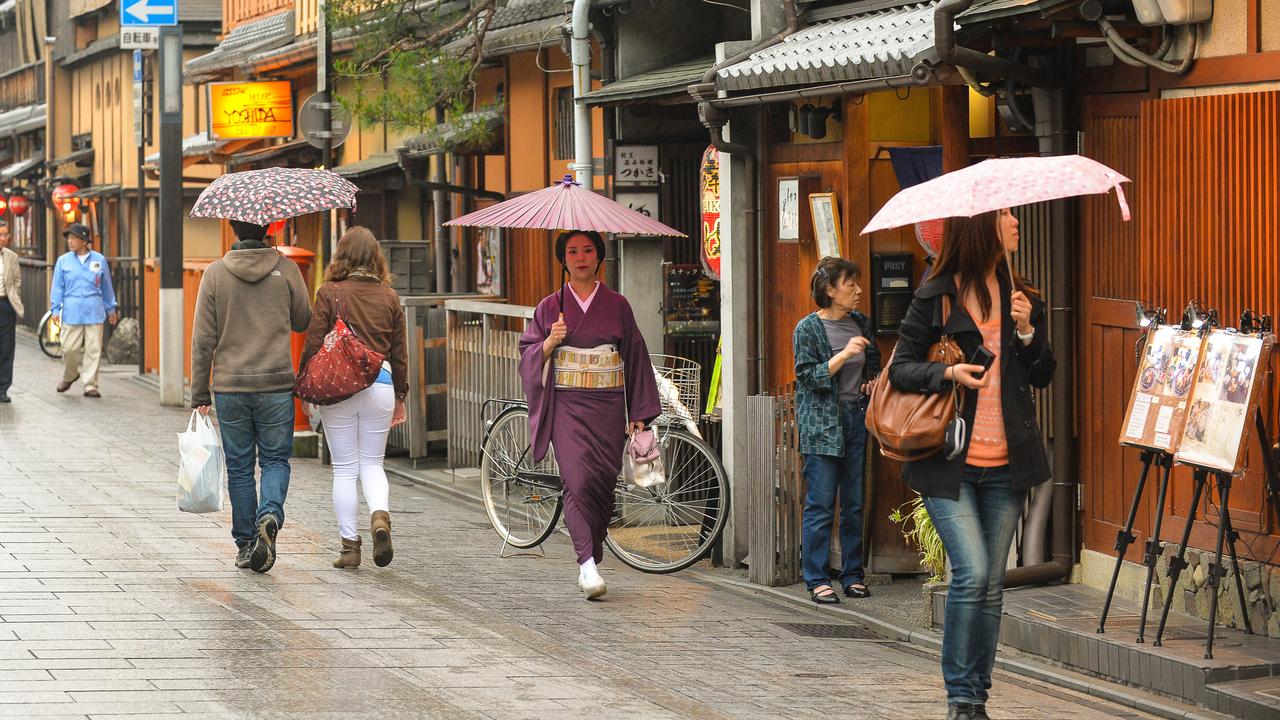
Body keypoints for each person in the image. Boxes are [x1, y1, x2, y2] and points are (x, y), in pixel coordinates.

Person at [888, 208, 1055, 720]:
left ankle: (976, 699)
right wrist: (948, 374)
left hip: (1007, 464)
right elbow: (900, 369)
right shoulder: (936, 294)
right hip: (949, 463)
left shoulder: (1022, 297)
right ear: (983, 225)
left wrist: (1028, 333)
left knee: (991, 583)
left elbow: (1043, 374)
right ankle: (960, 698)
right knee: (973, 572)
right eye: (1006, 214)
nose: (1015, 221)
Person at [517, 230, 661, 599]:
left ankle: (590, 554)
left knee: (600, 483)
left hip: (608, 405)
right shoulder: (551, 306)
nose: (580, 257)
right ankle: (586, 566)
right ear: (562, 259)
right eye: (572, 251)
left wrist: (639, 412)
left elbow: (636, 356)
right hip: (567, 405)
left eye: (587, 250)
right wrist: (550, 341)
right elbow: (528, 353)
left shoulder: (618, 305)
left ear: (599, 257)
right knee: (577, 480)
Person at [191, 220, 312, 573]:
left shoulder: (215, 274)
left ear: (233, 230)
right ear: (267, 229)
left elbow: (202, 339)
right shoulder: (286, 269)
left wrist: (200, 391)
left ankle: (247, 544)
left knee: (241, 467)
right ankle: (270, 514)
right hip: (276, 383)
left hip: (231, 387)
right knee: (275, 460)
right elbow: (303, 320)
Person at [300, 227, 408, 569]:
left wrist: (306, 383)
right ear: (375, 258)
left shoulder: (329, 292)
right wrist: (401, 394)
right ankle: (380, 518)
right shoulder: (389, 296)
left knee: (345, 468)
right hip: (381, 384)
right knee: (373, 463)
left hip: (339, 386)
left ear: (341, 256)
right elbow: (400, 352)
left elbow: (314, 341)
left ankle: (350, 548)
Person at [793, 257, 881, 604]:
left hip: (856, 418)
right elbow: (809, 376)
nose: (858, 291)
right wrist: (843, 355)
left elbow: (872, 364)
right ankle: (816, 577)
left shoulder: (861, 323)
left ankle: (853, 574)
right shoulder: (807, 329)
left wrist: (870, 383)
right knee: (821, 503)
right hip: (821, 423)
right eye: (850, 284)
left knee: (855, 502)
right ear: (830, 290)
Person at [50, 223, 117, 398]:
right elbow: (57, 287)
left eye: (73, 238)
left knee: (93, 350)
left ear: (84, 240)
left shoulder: (99, 260)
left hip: (94, 309)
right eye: (69, 239)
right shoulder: (63, 261)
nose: (70, 242)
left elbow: (106, 285)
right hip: (72, 311)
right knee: (69, 348)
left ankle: (90, 385)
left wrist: (111, 308)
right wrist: (55, 309)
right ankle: (70, 375)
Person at [0, 221, 22, 403]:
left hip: (5, 305)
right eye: (0, 234)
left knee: (6, 347)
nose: (3, 238)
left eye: (5, 234)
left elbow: (16, 281)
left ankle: (3, 388)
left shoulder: (11, 257)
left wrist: (14, 299)